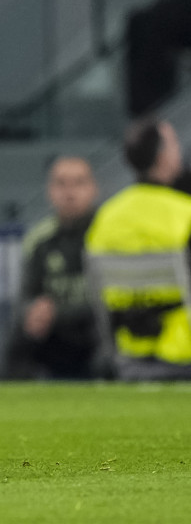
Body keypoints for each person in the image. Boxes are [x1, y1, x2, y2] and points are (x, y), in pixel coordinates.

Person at [84, 119, 191, 374]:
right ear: (163, 156)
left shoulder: (105, 217)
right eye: (174, 144)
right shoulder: (185, 213)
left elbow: (95, 293)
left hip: (127, 355)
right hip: (182, 352)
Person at [11, 156, 100, 378]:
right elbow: (26, 294)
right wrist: (32, 311)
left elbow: (112, 299)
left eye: (79, 182)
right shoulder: (40, 239)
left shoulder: (107, 235)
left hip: (93, 328)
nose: (70, 192)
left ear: (93, 189)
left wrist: (59, 312)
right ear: (49, 191)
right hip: (54, 332)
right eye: (61, 183)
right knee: (18, 338)